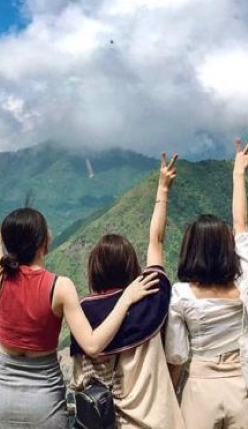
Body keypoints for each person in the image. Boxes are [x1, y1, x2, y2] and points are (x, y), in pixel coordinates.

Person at [0, 141, 159, 429]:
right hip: (44, 399)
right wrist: (126, 299)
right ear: (42, 243)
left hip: (1, 395)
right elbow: (92, 345)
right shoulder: (60, 287)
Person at [70, 153, 187, 429]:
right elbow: (156, 241)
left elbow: (78, 380)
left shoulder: (85, 313)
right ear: (132, 266)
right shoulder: (150, 297)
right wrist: (162, 189)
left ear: (94, 271)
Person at [165, 139, 248, 428]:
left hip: (200, 393)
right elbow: (242, 226)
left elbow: (176, 355)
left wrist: (169, 401)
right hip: (245, 390)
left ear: (189, 250)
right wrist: (238, 174)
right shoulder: (244, 285)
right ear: (228, 249)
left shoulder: (181, 295)